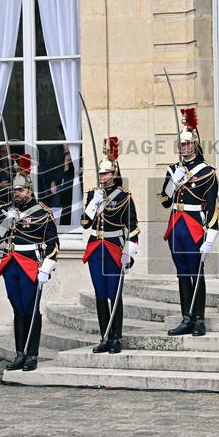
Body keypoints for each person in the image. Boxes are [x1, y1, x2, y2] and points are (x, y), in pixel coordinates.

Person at [0, 154, 59, 371]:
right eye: (14, 190)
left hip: (31, 265)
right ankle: (19, 353)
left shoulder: (42, 212)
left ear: (29, 190)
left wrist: (46, 267)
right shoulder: (9, 211)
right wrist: (6, 221)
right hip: (11, 264)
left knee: (31, 309)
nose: (16, 194)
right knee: (17, 308)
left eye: (20, 190)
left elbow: (53, 243)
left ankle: (32, 354)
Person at [160, 108, 219, 337]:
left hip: (195, 225)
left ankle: (199, 318)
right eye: (181, 145)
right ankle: (186, 317)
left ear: (195, 145)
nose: (184, 148)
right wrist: (171, 184)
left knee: (197, 273)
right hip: (176, 226)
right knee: (183, 273)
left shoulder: (207, 172)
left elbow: (213, 205)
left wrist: (211, 234)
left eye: (187, 144)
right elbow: (165, 201)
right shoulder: (173, 170)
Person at [81, 137, 139, 354]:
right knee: (100, 294)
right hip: (96, 246)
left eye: (106, 173)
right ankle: (104, 336)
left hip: (115, 247)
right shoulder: (92, 194)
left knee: (115, 294)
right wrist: (93, 204)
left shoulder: (124, 197)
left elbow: (132, 226)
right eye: (100, 173)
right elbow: (85, 224)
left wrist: (129, 251)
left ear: (114, 173)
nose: (102, 177)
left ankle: (116, 337)